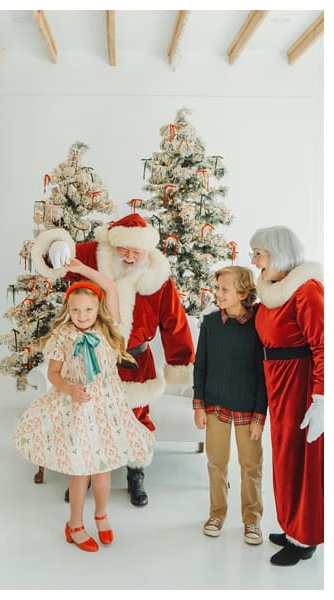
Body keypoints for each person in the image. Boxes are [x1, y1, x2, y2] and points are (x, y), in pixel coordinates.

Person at [34, 212, 194, 506]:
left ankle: (136, 473)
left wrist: (180, 363)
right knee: (89, 418)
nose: (130, 257)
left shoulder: (158, 278)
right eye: (124, 250)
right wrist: (56, 248)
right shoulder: (95, 255)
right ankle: (86, 473)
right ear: (113, 243)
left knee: (137, 418)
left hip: (135, 363)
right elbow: (59, 255)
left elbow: (175, 322)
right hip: (92, 360)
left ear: (148, 251)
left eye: (137, 252)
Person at [12, 269, 153, 552]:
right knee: (82, 470)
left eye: (88, 309)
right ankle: (75, 523)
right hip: (78, 404)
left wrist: (79, 265)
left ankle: (101, 515)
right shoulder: (62, 336)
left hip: (106, 406)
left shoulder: (108, 328)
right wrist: (69, 388)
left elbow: (111, 286)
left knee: (103, 468)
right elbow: (53, 373)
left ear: (98, 308)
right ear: (68, 310)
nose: (82, 315)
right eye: (76, 310)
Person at [249, 226, 323, 566]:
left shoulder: (306, 291)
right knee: (284, 458)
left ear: (278, 252)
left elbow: (325, 346)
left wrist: (321, 399)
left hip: (301, 386)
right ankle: (292, 526)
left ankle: (305, 537)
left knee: (302, 462)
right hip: (278, 386)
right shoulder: (273, 292)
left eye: (259, 253)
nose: (254, 261)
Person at [192, 266, 267, 545]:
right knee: (216, 463)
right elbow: (200, 367)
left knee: (251, 465)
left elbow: (264, 373)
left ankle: (252, 519)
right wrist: (199, 405)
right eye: (218, 288)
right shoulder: (211, 324)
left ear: (243, 293)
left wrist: (260, 414)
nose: (218, 294)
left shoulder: (259, 324)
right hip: (215, 406)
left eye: (225, 289)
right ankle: (217, 514)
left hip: (249, 409)